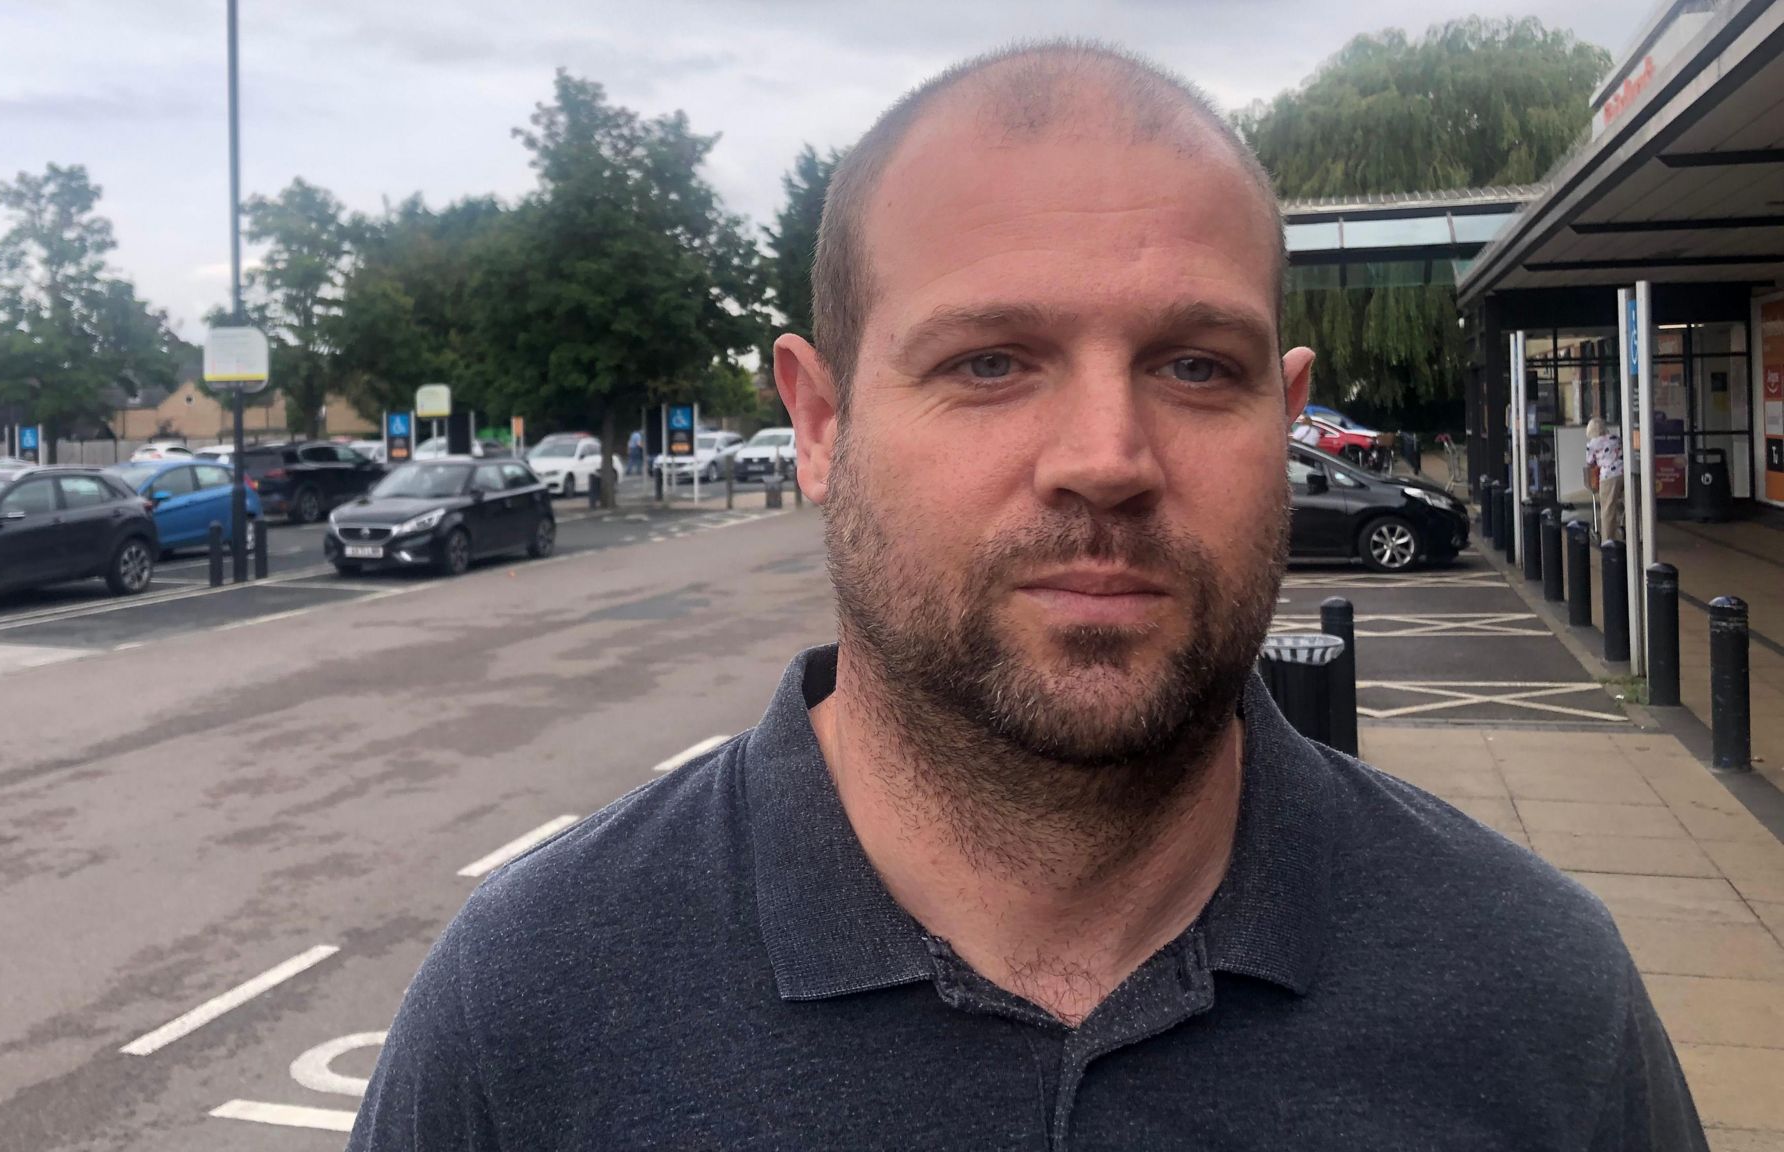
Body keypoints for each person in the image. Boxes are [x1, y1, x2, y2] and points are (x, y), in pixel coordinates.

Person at [350, 42, 1701, 1150]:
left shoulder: (1540, 1001)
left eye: (1193, 369)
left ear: (1283, 422)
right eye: (992, 363)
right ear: (819, 425)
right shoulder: (525, 1014)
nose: (1106, 459)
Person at [1586, 416, 1626, 542]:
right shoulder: (1615, 438)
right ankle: (1639, 534)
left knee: (1608, 508)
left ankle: (1608, 540)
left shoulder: (1592, 444)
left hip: (1608, 476)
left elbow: (1590, 462)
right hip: (1624, 472)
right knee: (1632, 504)